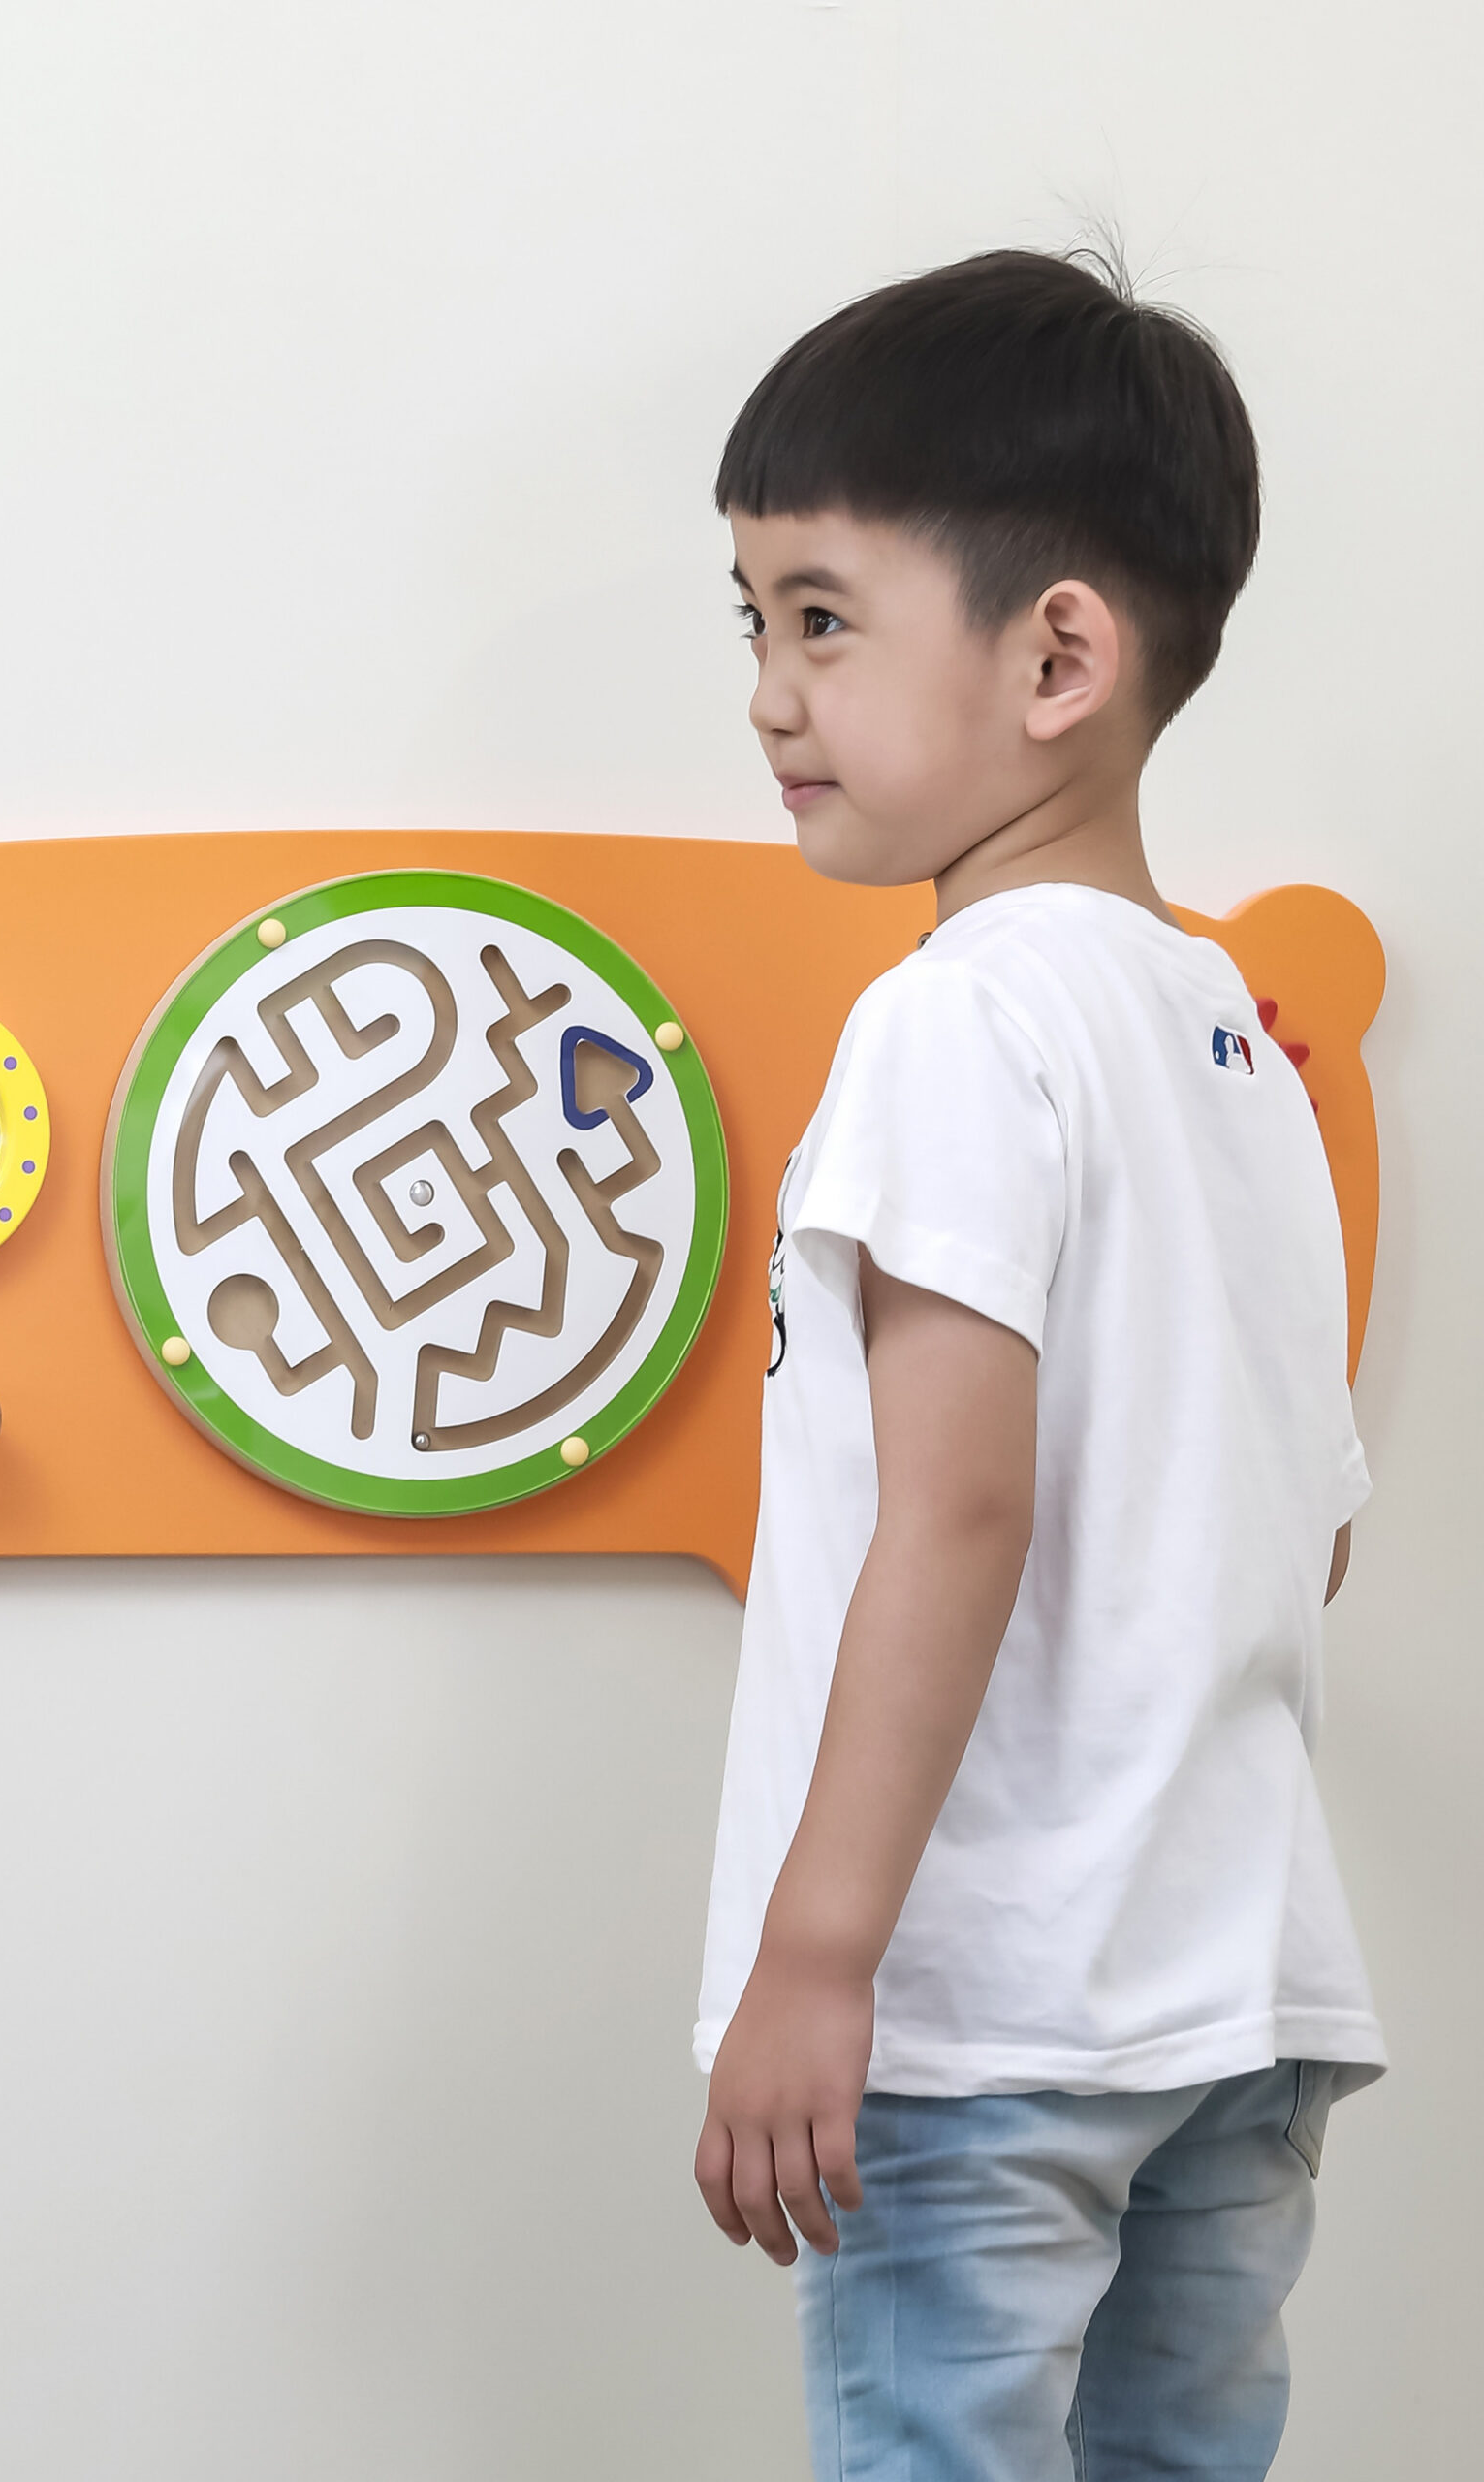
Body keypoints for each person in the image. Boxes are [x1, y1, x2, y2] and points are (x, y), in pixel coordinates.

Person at [690, 249, 1383, 2480]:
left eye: (819, 616)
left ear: (1056, 655)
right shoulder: (1232, 1042)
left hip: (987, 2000)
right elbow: (1309, 1527)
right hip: (1236, 1991)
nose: (768, 693)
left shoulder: (955, 1017)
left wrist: (817, 1952)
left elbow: (957, 1505)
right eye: (750, 621)